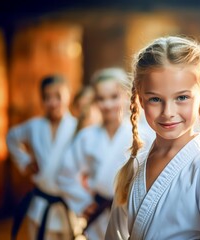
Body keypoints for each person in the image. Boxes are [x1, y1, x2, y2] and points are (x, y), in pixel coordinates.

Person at [105, 36, 200, 240]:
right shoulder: (134, 166)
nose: (168, 112)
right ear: (140, 100)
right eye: (155, 99)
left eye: (182, 97)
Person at [58, 68, 134, 239]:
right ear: (94, 101)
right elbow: (65, 174)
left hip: (131, 214)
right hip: (98, 214)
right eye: (101, 99)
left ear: (126, 96)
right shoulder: (87, 137)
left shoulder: (142, 136)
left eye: (114, 97)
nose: (107, 105)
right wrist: (84, 202)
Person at [7, 75, 77, 240]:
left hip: (69, 206)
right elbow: (11, 137)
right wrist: (25, 162)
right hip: (40, 206)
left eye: (58, 96)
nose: (53, 103)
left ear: (68, 95)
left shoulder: (77, 127)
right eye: (47, 98)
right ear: (42, 100)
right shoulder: (34, 126)